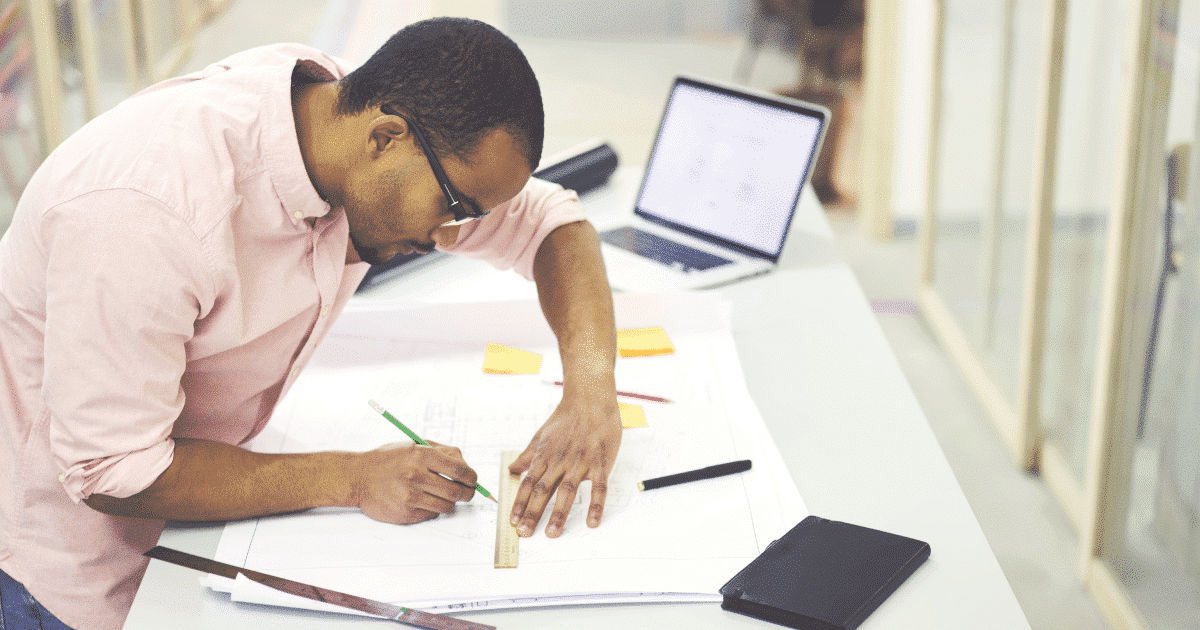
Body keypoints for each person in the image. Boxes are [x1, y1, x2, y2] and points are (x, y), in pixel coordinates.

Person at [0, 17, 622, 630]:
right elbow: (116, 472)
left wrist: (591, 392)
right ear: (385, 138)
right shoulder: (148, 212)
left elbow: (553, 228)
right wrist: (353, 478)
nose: (447, 239)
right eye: (452, 208)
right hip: (66, 576)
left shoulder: (341, 123)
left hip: (202, 519)